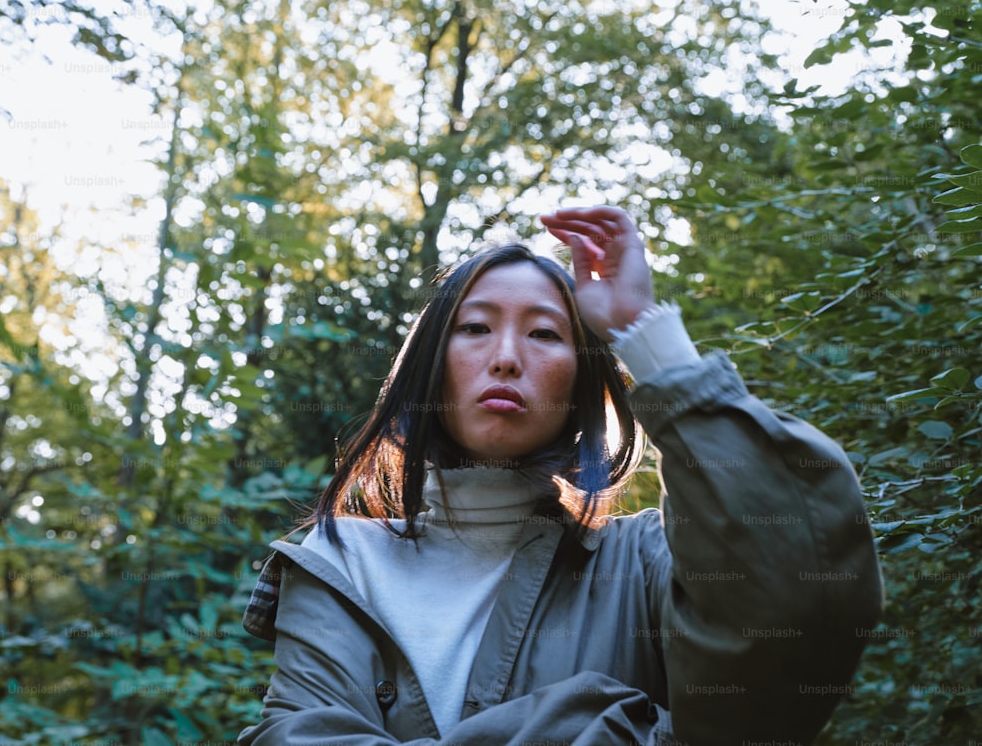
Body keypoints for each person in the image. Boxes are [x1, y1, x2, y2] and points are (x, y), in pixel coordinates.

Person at [237, 206, 883, 745]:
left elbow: (793, 616)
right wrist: (595, 726)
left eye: (545, 335)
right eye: (475, 328)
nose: (508, 357)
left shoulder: (644, 562)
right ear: (431, 364)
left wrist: (645, 335)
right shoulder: (338, 563)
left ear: (579, 383)